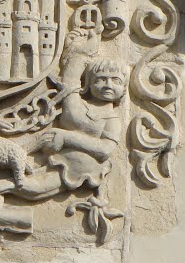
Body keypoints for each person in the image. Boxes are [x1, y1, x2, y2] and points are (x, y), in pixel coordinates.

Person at [39, 30, 128, 190]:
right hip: (55, 159)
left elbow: (105, 149)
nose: (108, 85)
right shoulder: (79, 105)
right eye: (101, 79)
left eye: (115, 80)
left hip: (79, 171)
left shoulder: (112, 119)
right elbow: (70, 82)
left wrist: (66, 137)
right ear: (88, 84)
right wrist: (79, 53)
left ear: (123, 88)